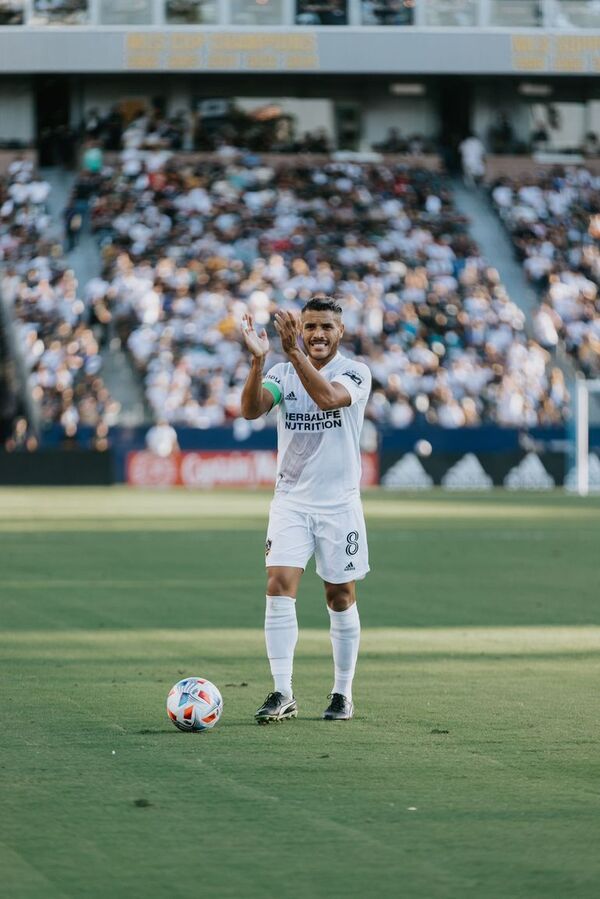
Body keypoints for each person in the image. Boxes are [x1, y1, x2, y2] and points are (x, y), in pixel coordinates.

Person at [240, 296, 372, 724]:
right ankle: (282, 690)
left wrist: (293, 351)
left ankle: (342, 692)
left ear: (341, 333)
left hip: (339, 506)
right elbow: (252, 409)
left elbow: (330, 398)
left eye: (325, 328)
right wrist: (259, 362)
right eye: (309, 326)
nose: (316, 334)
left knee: (340, 596)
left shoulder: (354, 372)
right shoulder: (281, 372)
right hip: (291, 503)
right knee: (278, 584)